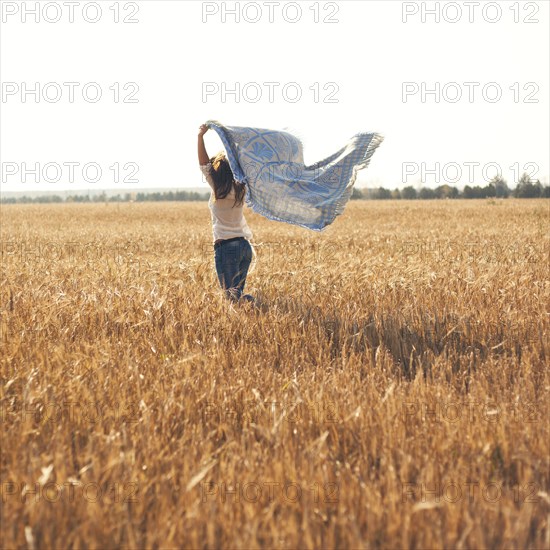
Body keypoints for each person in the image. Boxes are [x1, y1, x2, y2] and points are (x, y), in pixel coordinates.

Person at [198, 123, 256, 305]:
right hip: (245, 248)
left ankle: (252, 308)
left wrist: (200, 136)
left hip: (226, 248)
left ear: (217, 172)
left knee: (232, 299)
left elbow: (203, 163)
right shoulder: (242, 188)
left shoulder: (218, 187)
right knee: (237, 294)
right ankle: (253, 310)